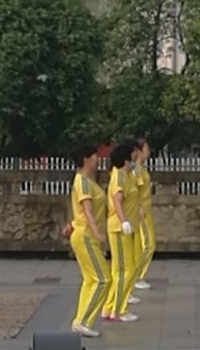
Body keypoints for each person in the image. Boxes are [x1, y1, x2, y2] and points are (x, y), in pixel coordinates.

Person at [68, 144, 110, 338]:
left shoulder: (86, 181)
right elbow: (87, 210)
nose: (97, 160)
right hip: (85, 234)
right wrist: (97, 232)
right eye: (94, 157)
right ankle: (83, 320)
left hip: (85, 234)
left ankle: (81, 320)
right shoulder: (83, 182)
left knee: (91, 280)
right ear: (86, 159)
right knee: (103, 279)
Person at [100, 141, 139, 323]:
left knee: (120, 271)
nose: (136, 156)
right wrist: (124, 221)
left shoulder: (126, 175)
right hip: (119, 228)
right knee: (126, 270)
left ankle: (109, 308)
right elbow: (117, 200)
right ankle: (119, 309)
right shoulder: (120, 177)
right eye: (133, 153)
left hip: (123, 228)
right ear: (126, 158)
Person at [132, 137, 155, 291]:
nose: (149, 151)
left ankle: (138, 275)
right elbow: (135, 191)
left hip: (146, 210)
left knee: (143, 245)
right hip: (142, 212)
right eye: (146, 148)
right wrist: (139, 207)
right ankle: (138, 275)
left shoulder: (141, 169)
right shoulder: (137, 171)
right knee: (148, 244)